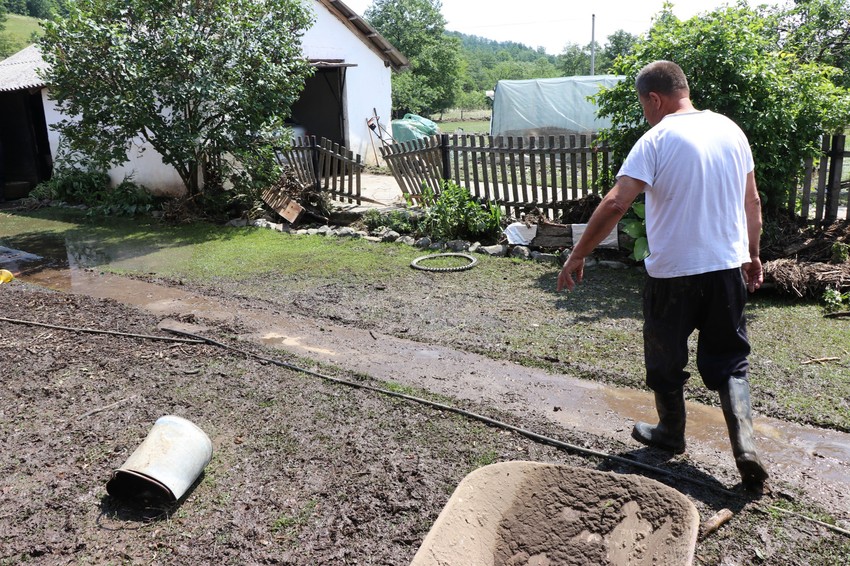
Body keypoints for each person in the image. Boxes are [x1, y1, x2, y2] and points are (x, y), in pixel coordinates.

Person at [557, 60, 768, 489]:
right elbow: (753, 202)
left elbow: (616, 204)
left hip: (673, 275)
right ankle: (745, 446)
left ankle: (671, 433)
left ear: (655, 98)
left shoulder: (655, 139)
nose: (645, 115)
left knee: (665, 357)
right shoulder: (731, 130)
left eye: (644, 106)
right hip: (726, 269)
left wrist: (577, 254)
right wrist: (752, 254)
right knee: (730, 361)